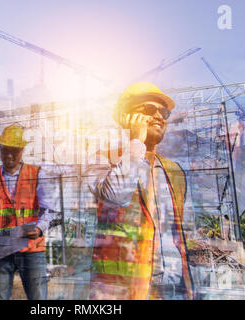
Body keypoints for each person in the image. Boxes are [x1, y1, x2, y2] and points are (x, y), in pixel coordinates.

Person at [89, 82, 194, 300]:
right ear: (126, 118)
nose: (159, 116)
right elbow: (116, 196)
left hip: (171, 285)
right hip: (123, 287)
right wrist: (136, 142)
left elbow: (182, 233)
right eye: (148, 110)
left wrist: (188, 286)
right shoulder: (103, 159)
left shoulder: (174, 171)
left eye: (163, 112)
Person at [0, 124, 57, 300]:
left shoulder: (38, 174)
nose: (9, 155)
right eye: (5, 150)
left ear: (22, 150)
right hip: (1, 250)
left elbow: (48, 208)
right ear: (0, 149)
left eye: (14, 150)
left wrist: (39, 229)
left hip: (32, 248)